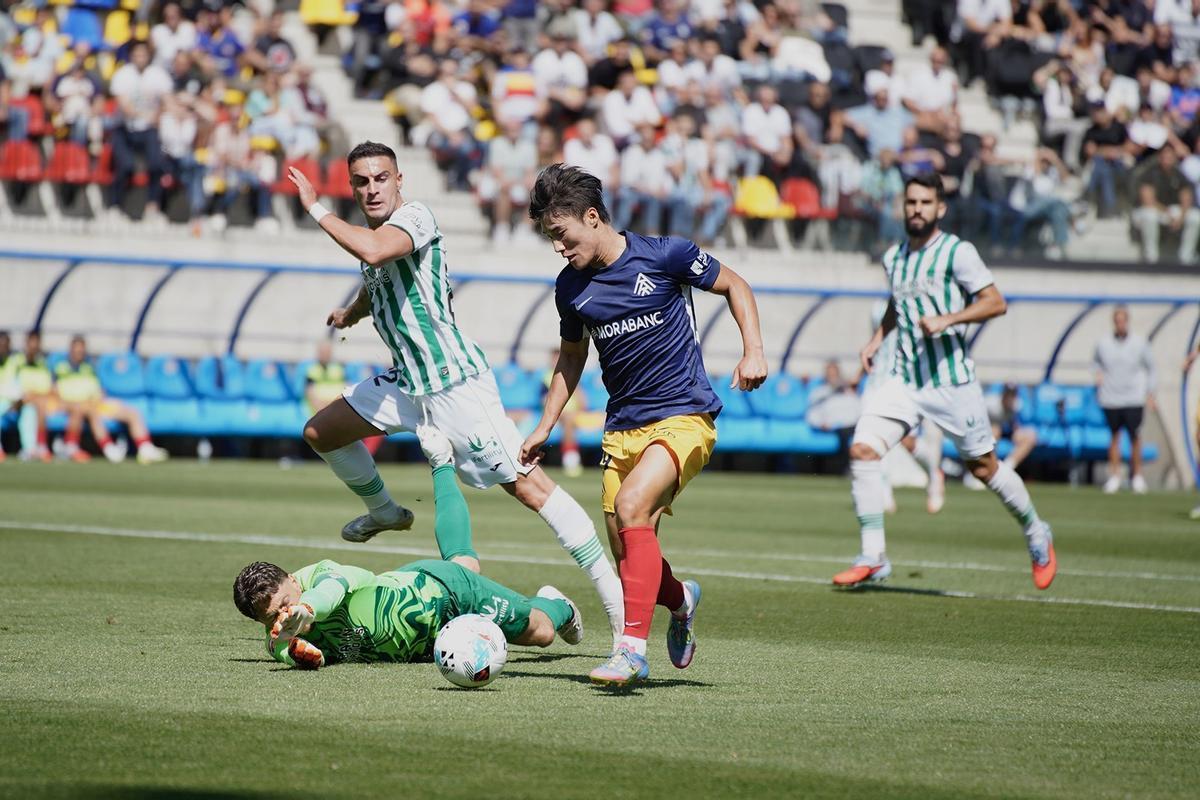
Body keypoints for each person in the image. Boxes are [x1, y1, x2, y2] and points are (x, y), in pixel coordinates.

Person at [285, 141, 624, 648]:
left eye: (381, 178)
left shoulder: (414, 218)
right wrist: (350, 314)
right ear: (353, 187)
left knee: (531, 490)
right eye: (362, 181)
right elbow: (377, 278)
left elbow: (375, 252)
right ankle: (385, 511)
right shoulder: (375, 236)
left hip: (454, 384)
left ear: (400, 181)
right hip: (408, 382)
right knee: (321, 431)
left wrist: (315, 207)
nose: (372, 188)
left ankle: (618, 611)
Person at [521, 163, 767, 686]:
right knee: (629, 552)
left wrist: (753, 351)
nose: (558, 248)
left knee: (633, 507)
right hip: (622, 429)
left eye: (562, 234)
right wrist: (545, 425)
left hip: (684, 415)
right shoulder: (570, 288)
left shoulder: (665, 255)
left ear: (592, 217)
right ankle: (681, 602)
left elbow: (736, 285)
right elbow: (571, 358)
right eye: (550, 238)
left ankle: (630, 652)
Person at [833, 173, 1056, 591]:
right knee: (863, 449)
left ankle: (1036, 531)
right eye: (911, 202)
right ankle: (873, 556)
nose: (917, 209)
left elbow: (995, 302)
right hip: (905, 379)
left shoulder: (957, 252)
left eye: (925, 202)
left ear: (940, 208)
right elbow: (899, 303)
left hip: (951, 382)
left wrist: (949, 319)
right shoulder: (894, 258)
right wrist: (877, 339)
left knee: (984, 468)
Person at [233, 424, 583, 669]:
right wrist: (293, 653)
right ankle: (441, 462)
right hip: (428, 630)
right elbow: (282, 647)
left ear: (293, 581)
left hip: (443, 596)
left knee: (541, 632)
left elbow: (336, 587)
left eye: (284, 604)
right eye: (272, 617)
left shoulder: (322, 577)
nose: (283, 615)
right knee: (465, 564)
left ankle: (558, 605)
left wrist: (307, 608)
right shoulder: (279, 634)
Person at [53, 335, 168, 465]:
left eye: (81, 350)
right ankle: (109, 448)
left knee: (131, 412)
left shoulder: (89, 367)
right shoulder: (60, 367)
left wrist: (100, 397)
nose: (79, 352)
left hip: (95, 403)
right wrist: (75, 403)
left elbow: (99, 389)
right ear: (71, 349)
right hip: (76, 405)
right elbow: (55, 392)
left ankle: (145, 447)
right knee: (90, 412)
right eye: (77, 349)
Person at [1094, 306, 1156, 494]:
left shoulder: (1139, 343)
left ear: (1127, 321)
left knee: (1135, 437)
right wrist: (1098, 376)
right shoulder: (1103, 343)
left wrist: (1150, 393)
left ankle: (1137, 477)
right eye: (1117, 321)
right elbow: (1095, 364)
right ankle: (1115, 476)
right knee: (1114, 437)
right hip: (1111, 398)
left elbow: (1151, 367)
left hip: (1133, 398)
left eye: (1123, 320)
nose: (1120, 324)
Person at [988, 383, 1038, 470]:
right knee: (995, 430)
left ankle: (1007, 468)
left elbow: (1016, 425)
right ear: (1003, 394)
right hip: (992, 432)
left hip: (1009, 431)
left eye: (1013, 395)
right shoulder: (991, 405)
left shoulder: (1018, 405)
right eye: (1008, 394)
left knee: (1031, 436)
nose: (1010, 398)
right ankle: (989, 466)